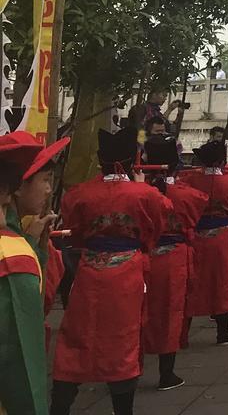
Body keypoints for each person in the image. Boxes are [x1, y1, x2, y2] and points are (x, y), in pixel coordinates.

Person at [51, 128, 168, 415]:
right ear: (132, 160)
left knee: (77, 334)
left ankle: (59, 406)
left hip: (90, 268)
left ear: (100, 159)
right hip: (127, 270)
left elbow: (75, 233)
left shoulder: (81, 193)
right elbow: (156, 226)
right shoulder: (145, 194)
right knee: (123, 338)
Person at [0, 130, 69, 415]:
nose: (49, 190)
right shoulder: (13, 256)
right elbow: (19, 362)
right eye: (45, 180)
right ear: (11, 188)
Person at [139, 134, 206, 392]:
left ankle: (127, 371)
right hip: (172, 258)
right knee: (170, 311)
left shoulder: (138, 192)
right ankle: (166, 374)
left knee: (135, 312)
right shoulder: (189, 195)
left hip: (138, 257)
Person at [179, 137, 228, 345]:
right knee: (221, 281)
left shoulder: (189, 181)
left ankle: (182, 335)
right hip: (221, 236)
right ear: (221, 162)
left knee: (191, 283)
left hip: (194, 236)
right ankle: (222, 331)